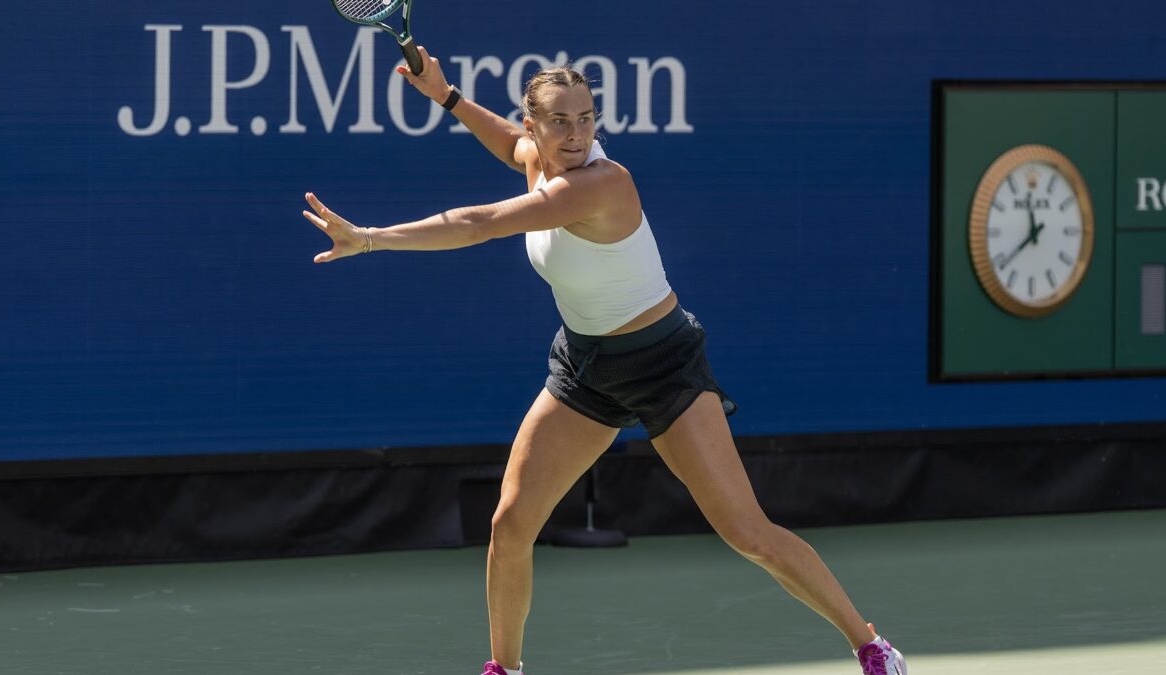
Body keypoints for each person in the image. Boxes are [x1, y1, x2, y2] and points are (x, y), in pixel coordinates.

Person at [301, 46, 908, 675]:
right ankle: (503, 669)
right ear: (535, 123)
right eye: (559, 121)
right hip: (584, 367)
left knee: (747, 533)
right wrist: (448, 97)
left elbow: (480, 224)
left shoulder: (603, 183)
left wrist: (369, 238)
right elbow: (512, 147)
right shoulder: (537, 155)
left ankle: (870, 645)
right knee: (510, 524)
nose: (576, 133)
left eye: (586, 118)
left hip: (663, 366)